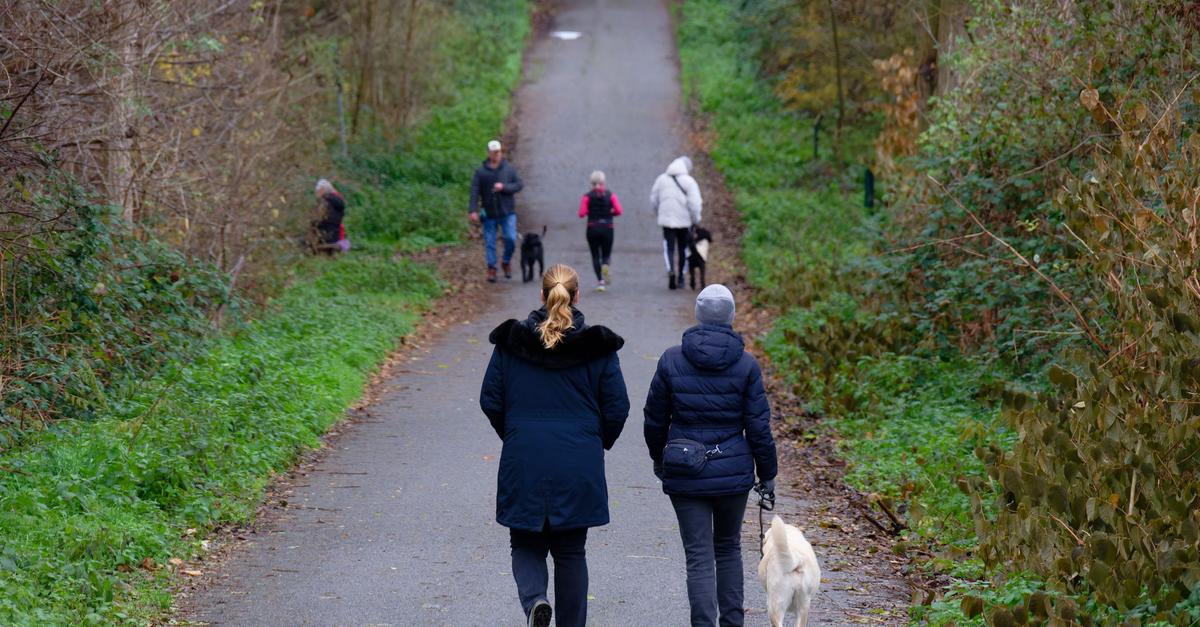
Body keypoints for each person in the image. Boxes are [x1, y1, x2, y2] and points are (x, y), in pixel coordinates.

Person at [480, 264, 630, 627]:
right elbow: (618, 407)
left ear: (541, 296)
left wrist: (514, 434)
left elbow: (491, 399)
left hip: (524, 457)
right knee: (571, 552)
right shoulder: (598, 348)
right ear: (577, 296)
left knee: (525, 543)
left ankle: (535, 600)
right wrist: (596, 442)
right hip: (578, 462)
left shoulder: (512, 344)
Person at [643, 284, 778, 627]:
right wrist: (768, 474)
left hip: (685, 471)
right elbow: (759, 427)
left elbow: (655, 418)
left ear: (698, 316)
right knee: (729, 548)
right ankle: (733, 623)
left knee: (699, 556)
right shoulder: (747, 365)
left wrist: (659, 457)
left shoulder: (672, 359)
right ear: (732, 317)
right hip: (732, 471)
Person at [469, 139, 524, 283]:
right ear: (489, 153)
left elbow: (519, 184)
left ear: (501, 152)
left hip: (507, 212)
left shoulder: (509, 169)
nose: (496, 155)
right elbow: (475, 191)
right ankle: (491, 268)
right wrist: (473, 210)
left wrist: (504, 187)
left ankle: (506, 261)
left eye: (498, 152)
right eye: (493, 152)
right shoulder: (481, 172)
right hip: (489, 213)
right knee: (490, 242)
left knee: (511, 239)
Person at [650, 156, 702, 290]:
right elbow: (695, 204)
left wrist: (659, 213)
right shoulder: (689, 182)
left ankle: (671, 270)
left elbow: (654, 199)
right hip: (684, 221)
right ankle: (681, 277)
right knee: (683, 248)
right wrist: (696, 220)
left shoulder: (661, 179)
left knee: (669, 247)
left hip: (667, 220)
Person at [578, 170, 624, 291]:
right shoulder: (611, 195)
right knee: (606, 254)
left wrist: (590, 211)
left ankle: (600, 282)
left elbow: (581, 214)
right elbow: (619, 211)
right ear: (603, 182)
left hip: (592, 228)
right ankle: (606, 265)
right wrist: (610, 213)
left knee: (595, 255)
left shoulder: (587, 197)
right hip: (608, 228)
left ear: (591, 183)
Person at [312, 178, 348, 254]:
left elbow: (321, 221)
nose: (316, 194)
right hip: (336, 235)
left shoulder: (325, 202)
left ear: (322, 190)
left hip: (326, 237)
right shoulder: (338, 200)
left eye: (318, 191)